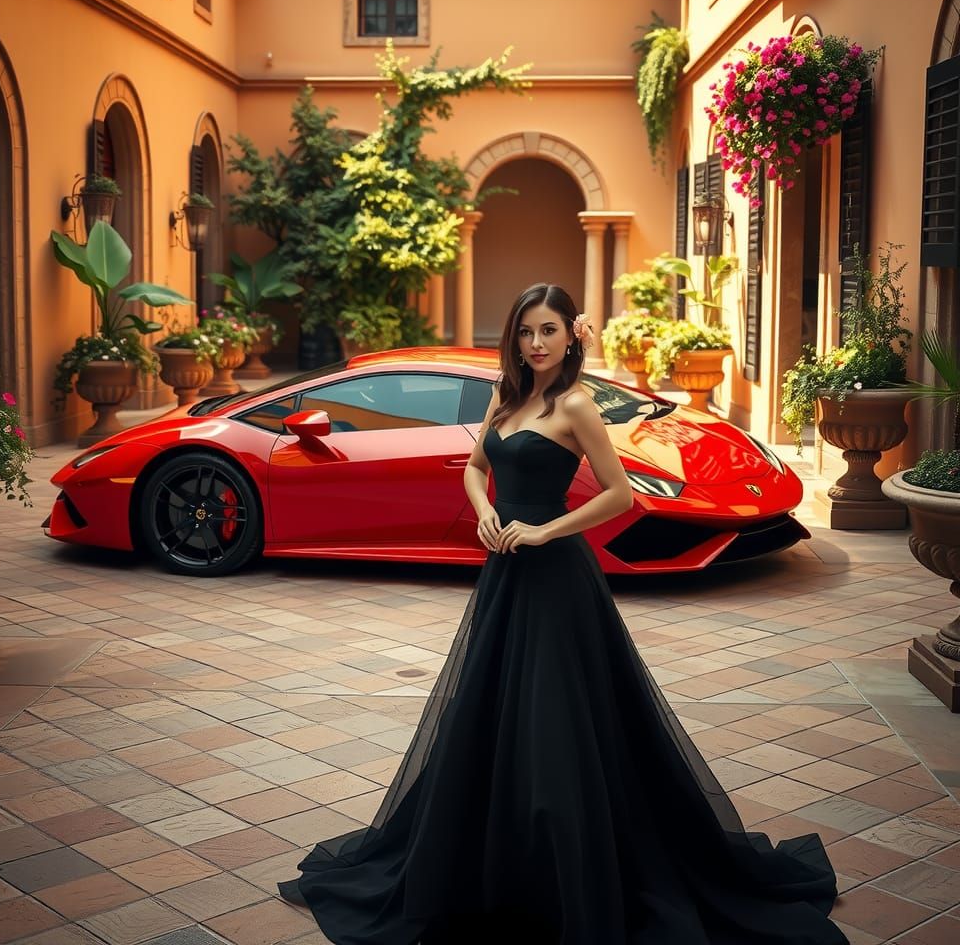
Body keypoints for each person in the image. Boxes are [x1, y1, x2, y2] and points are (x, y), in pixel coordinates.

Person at [278, 283, 846, 945]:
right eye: (526, 332)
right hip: (504, 576)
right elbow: (472, 467)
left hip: (556, 579)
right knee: (488, 712)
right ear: (514, 338)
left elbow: (619, 494)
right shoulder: (506, 396)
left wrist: (550, 531)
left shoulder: (576, 403)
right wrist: (487, 511)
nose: (537, 343)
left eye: (549, 330)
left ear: (569, 336)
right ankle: (492, 861)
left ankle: (570, 868)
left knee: (559, 721)